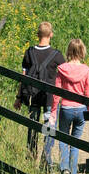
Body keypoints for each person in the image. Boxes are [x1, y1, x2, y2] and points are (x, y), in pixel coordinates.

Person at [44, 38, 89, 174]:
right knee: (75, 144)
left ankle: (64, 168)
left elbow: (57, 93)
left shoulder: (62, 69)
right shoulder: (86, 69)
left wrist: (53, 111)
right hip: (80, 109)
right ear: (82, 51)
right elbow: (88, 92)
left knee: (64, 141)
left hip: (65, 108)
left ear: (69, 51)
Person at [16, 22, 64, 158]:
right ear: (51, 35)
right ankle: (46, 156)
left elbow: (23, 76)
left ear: (37, 35)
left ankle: (31, 154)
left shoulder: (29, 52)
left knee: (32, 126)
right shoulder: (56, 55)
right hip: (50, 98)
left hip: (33, 96)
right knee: (49, 127)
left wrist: (19, 97)